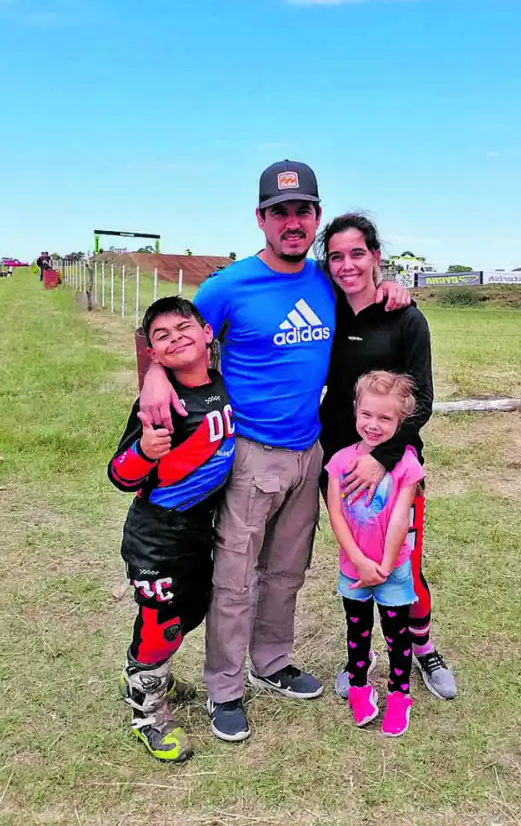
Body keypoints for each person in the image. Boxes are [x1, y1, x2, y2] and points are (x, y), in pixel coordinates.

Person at [138, 160, 410, 742]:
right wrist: (154, 377)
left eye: (303, 211)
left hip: (308, 449)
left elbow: (366, 289)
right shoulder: (225, 287)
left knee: (287, 569)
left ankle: (272, 662)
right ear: (260, 218)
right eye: (280, 211)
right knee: (235, 576)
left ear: (315, 217)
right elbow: (170, 335)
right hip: (249, 453)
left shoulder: (324, 280)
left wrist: (390, 286)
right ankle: (226, 689)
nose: (293, 222)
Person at [317, 213, 457, 701]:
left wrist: (383, 458)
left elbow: (422, 401)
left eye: (358, 253)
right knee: (356, 563)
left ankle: (423, 647)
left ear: (376, 256)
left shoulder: (406, 316)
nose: (347, 264)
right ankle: (361, 657)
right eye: (336, 255)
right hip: (338, 462)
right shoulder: (324, 308)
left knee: (403, 564)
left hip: (396, 469)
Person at [108, 296, 235, 763]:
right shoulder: (157, 405)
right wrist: (145, 449)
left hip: (199, 533)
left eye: (184, 327)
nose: (175, 337)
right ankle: (147, 708)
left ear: (207, 334)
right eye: (161, 336)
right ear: (153, 354)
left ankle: (145, 672)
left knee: (191, 612)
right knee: (160, 622)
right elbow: (120, 476)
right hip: (156, 536)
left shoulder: (221, 385)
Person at [326, 371, 424, 735]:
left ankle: (400, 697)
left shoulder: (407, 465)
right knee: (358, 632)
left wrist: (382, 563)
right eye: (367, 414)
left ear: (400, 421)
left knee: (397, 635)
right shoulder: (338, 462)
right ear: (355, 410)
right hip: (354, 567)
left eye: (385, 418)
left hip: (392, 569)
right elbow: (336, 514)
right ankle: (359, 687)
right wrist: (359, 561)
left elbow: (401, 517)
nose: (373, 424)